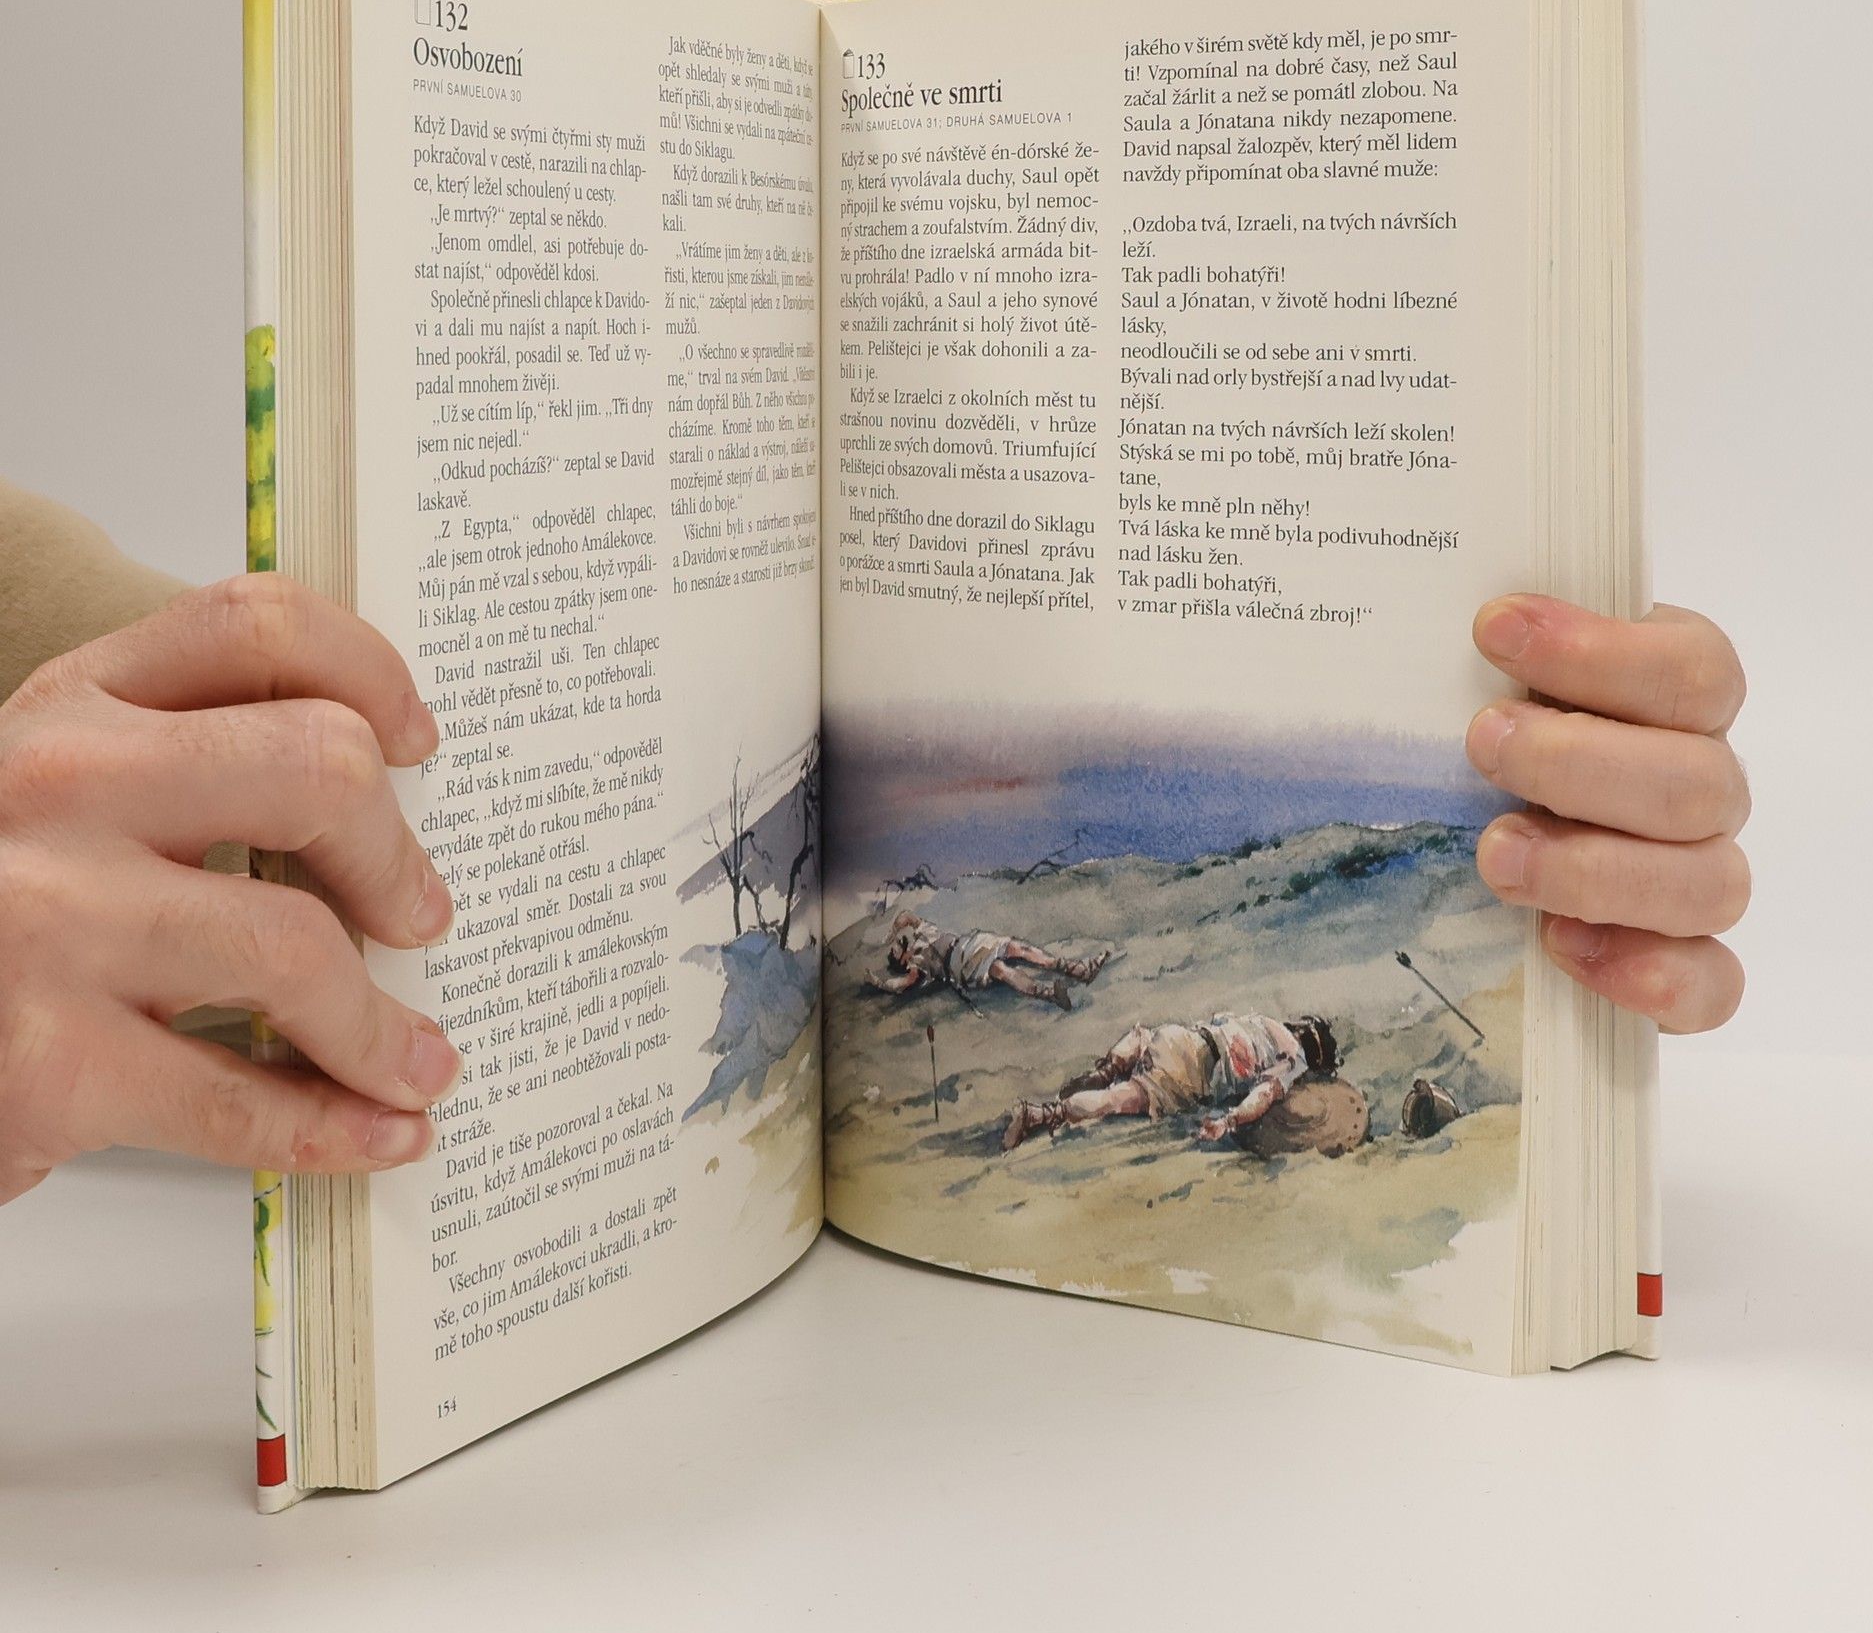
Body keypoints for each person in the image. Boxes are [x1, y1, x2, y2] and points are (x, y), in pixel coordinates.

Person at [0, 480, 1752, 1206]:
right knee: (1054, 1007)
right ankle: (1043, 1036)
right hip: (1126, 1036)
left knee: (1063, 1026)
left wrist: (1536, 785)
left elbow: (123, 751)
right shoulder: (1266, 1050)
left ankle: (1041, 1052)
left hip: (1116, 1030)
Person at [1002, 1011, 1335, 1149]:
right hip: (1191, 1071)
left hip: (1182, 1037)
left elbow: (1219, 1020)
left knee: (1142, 1038)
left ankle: (1107, 1069)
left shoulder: (1264, 1021)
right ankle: (1041, 1114)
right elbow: (1263, 1095)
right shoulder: (1295, 1060)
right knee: (1119, 1099)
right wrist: (1229, 1121)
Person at [869, 911, 1109, 1011]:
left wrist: (891, 932)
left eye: (896, 944)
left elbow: (907, 916)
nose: (898, 945)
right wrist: (880, 984)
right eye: (895, 950)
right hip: (960, 966)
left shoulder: (923, 932)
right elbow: (903, 983)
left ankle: (1079, 970)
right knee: (1000, 970)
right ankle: (1051, 995)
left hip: (971, 943)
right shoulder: (917, 965)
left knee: (1018, 947)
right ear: (901, 960)